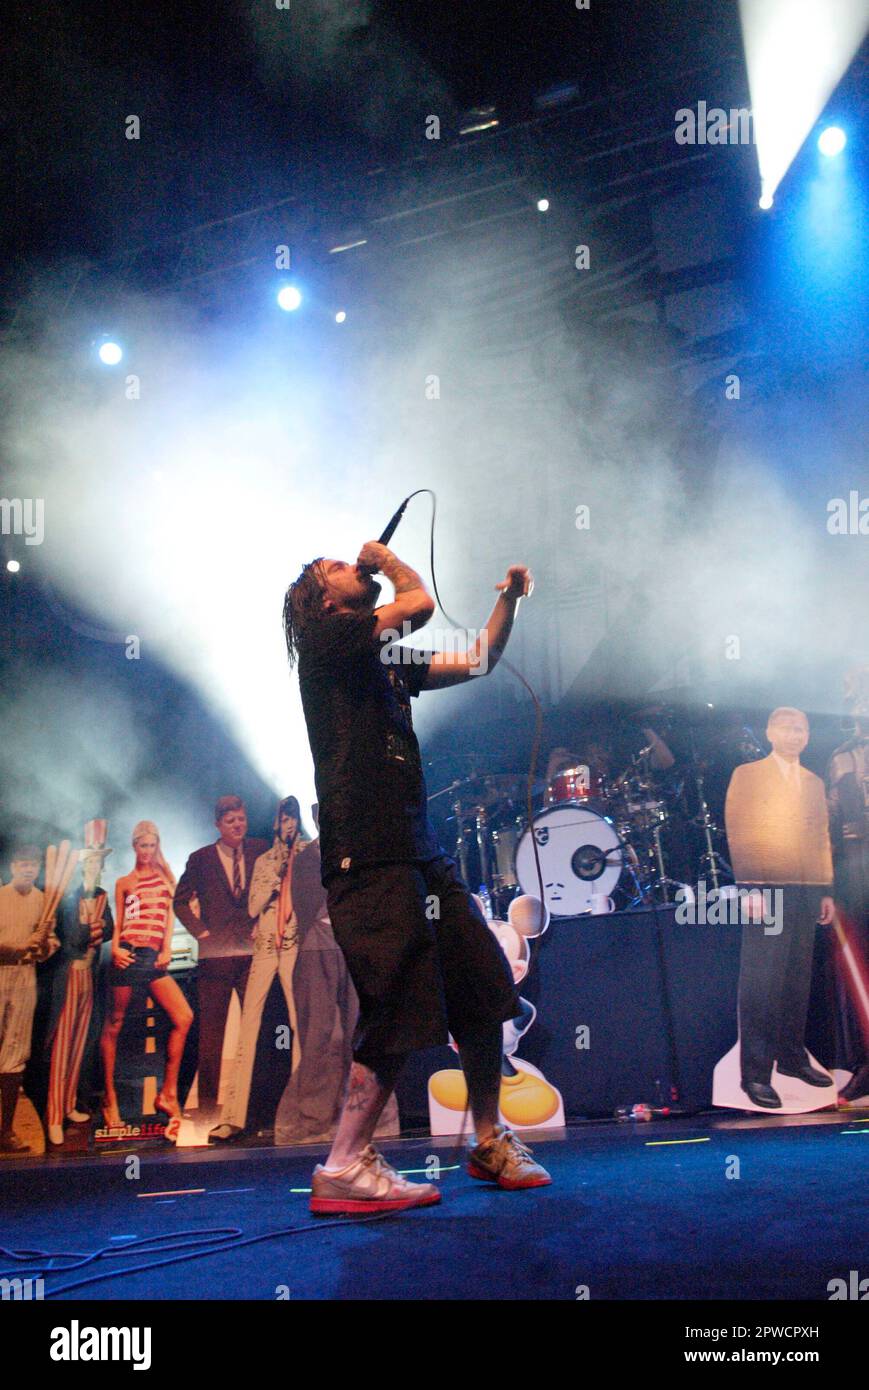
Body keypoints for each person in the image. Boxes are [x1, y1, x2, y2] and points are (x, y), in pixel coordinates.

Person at [283, 538, 550, 1214]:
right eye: (336, 567)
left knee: (482, 983)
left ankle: (488, 1140)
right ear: (320, 600)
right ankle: (342, 1165)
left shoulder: (382, 660)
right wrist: (389, 560)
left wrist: (506, 602)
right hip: (366, 856)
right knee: (396, 1002)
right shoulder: (329, 645)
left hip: (415, 851)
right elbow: (420, 603)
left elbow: (480, 658)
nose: (354, 566)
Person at [724, 708, 835, 1109]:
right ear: (770, 732)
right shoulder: (748, 774)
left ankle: (791, 1058)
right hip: (767, 887)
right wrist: (749, 888)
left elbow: (821, 835)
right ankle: (755, 1073)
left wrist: (825, 889)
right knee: (761, 982)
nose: (794, 735)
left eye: (801, 729)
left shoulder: (814, 781)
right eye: (786, 728)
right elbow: (740, 830)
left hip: (806, 889)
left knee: (795, 979)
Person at [210, 796, 306, 1142]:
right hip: (266, 945)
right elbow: (252, 907)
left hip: (296, 944)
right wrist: (275, 878)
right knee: (248, 1026)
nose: (290, 825)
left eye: (294, 819)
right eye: (285, 819)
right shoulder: (267, 860)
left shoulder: (309, 853)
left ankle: (303, 1113)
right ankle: (232, 1118)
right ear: (277, 824)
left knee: (302, 1025)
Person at [173, 797, 269, 1123]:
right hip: (215, 958)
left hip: (251, 955)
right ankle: (208, 1108)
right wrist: (201, 933)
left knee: (257, 1030)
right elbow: (180, 902)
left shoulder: (259, 850)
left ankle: (257, 1100)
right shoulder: (200, 859)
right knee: (211, 1035)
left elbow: (277, 889)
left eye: (241, 819)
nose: (238, 825)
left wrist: (262, 924)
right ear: (218, 825)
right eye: (231, 821)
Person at [100, 821, 193, 1127]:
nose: (147, 852)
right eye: (143, 846)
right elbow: (121, 921)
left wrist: (166, 949)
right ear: (134, 847)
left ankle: (167, 1093)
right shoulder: (124, 882)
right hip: (128, 954)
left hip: (152, 959)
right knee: (115, 1023)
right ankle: (109, 1098)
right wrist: (115, 949)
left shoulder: (165, 881)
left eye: (152, 846)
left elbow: (169, 916)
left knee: (184, 1017)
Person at [44, 820, 114, 1147]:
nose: (94, 868)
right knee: (62, 1048)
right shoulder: (70, 898)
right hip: (70, 974)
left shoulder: (102, 896)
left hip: (89, 976)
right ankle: (54, 1116)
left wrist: (99, 929)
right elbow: (72, 937)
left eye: (98, 862)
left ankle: (70, 1103)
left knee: (80, 1046)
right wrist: (95, 931)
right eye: (90, 862)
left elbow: (110, 929)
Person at [826, 669, 869, 1103]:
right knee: (860, 963)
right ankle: (866, 1064)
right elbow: (830, 820)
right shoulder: (840, 757)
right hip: (857, 863)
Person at [0, 846, 59, 1152]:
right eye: (22, 864)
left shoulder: (41, 900)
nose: (27, 870)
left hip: (25, 978)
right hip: (0, 973)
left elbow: (51, 941)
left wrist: (44, 948)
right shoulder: (1, 897)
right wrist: (22, 946)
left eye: (32, 865)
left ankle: (5, 1131)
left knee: (15, 1050)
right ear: (12, 866)